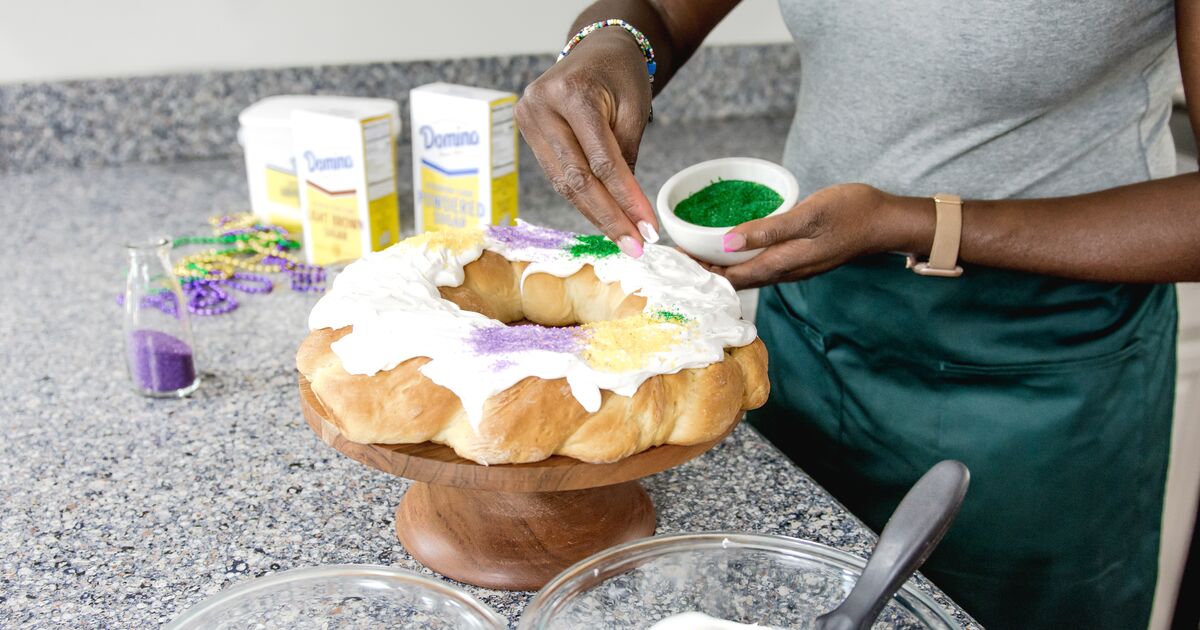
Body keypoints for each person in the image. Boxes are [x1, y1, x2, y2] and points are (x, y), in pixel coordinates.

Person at [514, 1, 1200, 628]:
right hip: (813, 326)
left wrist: (910, 222)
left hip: (1042, 370)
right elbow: (660, 10)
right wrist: (609, 44)